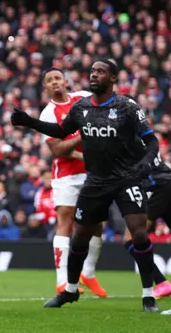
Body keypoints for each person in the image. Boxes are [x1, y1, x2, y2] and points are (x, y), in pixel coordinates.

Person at [11, 59, 160, 312]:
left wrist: (146, 164)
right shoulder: (81, 107)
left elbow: (152, 141)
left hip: (126, 178)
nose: (94, 75)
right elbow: (59, 132)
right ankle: (69, 290)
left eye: (100, 72)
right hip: (95, 180)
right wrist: (29, 121)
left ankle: (148, 295)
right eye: (92, 71)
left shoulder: (126, 106)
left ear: (112, 78)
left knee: (140, 233)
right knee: (80, 236)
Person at [38, 68, 106, 297]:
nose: (55, 82)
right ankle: (62, 280)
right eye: (49, 81)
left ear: (66, 81)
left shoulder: (83, 98)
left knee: (97, 223)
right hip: (66, 175)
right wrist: (82, 136)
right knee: (65, 219)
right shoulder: (48, 114)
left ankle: (88, 273)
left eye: (57, 78)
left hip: (93, 172)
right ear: (46, 88)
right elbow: (56, 149)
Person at [123, 163, 171, 299]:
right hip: (170, 180)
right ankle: (162, 283)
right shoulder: (151, 142)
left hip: (155, 185)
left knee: (131, 238)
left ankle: (161, 282)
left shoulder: (129, 143)